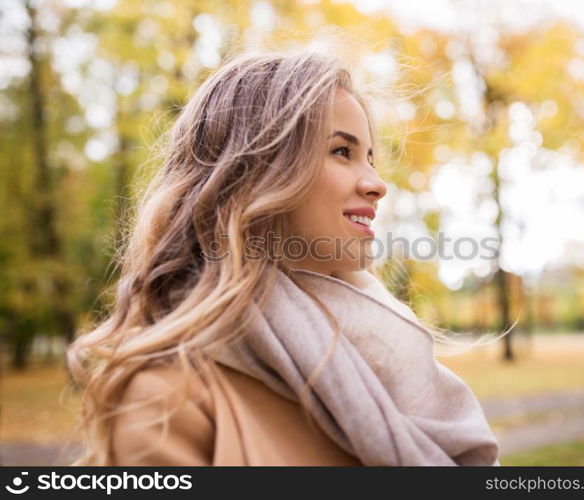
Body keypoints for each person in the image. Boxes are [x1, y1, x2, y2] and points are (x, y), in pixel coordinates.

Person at [66, 49, 500, 466]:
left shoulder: (387, 353)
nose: (376, 183)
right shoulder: (167, 399)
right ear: (251, 174)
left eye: (369, 157)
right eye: (340, 151)